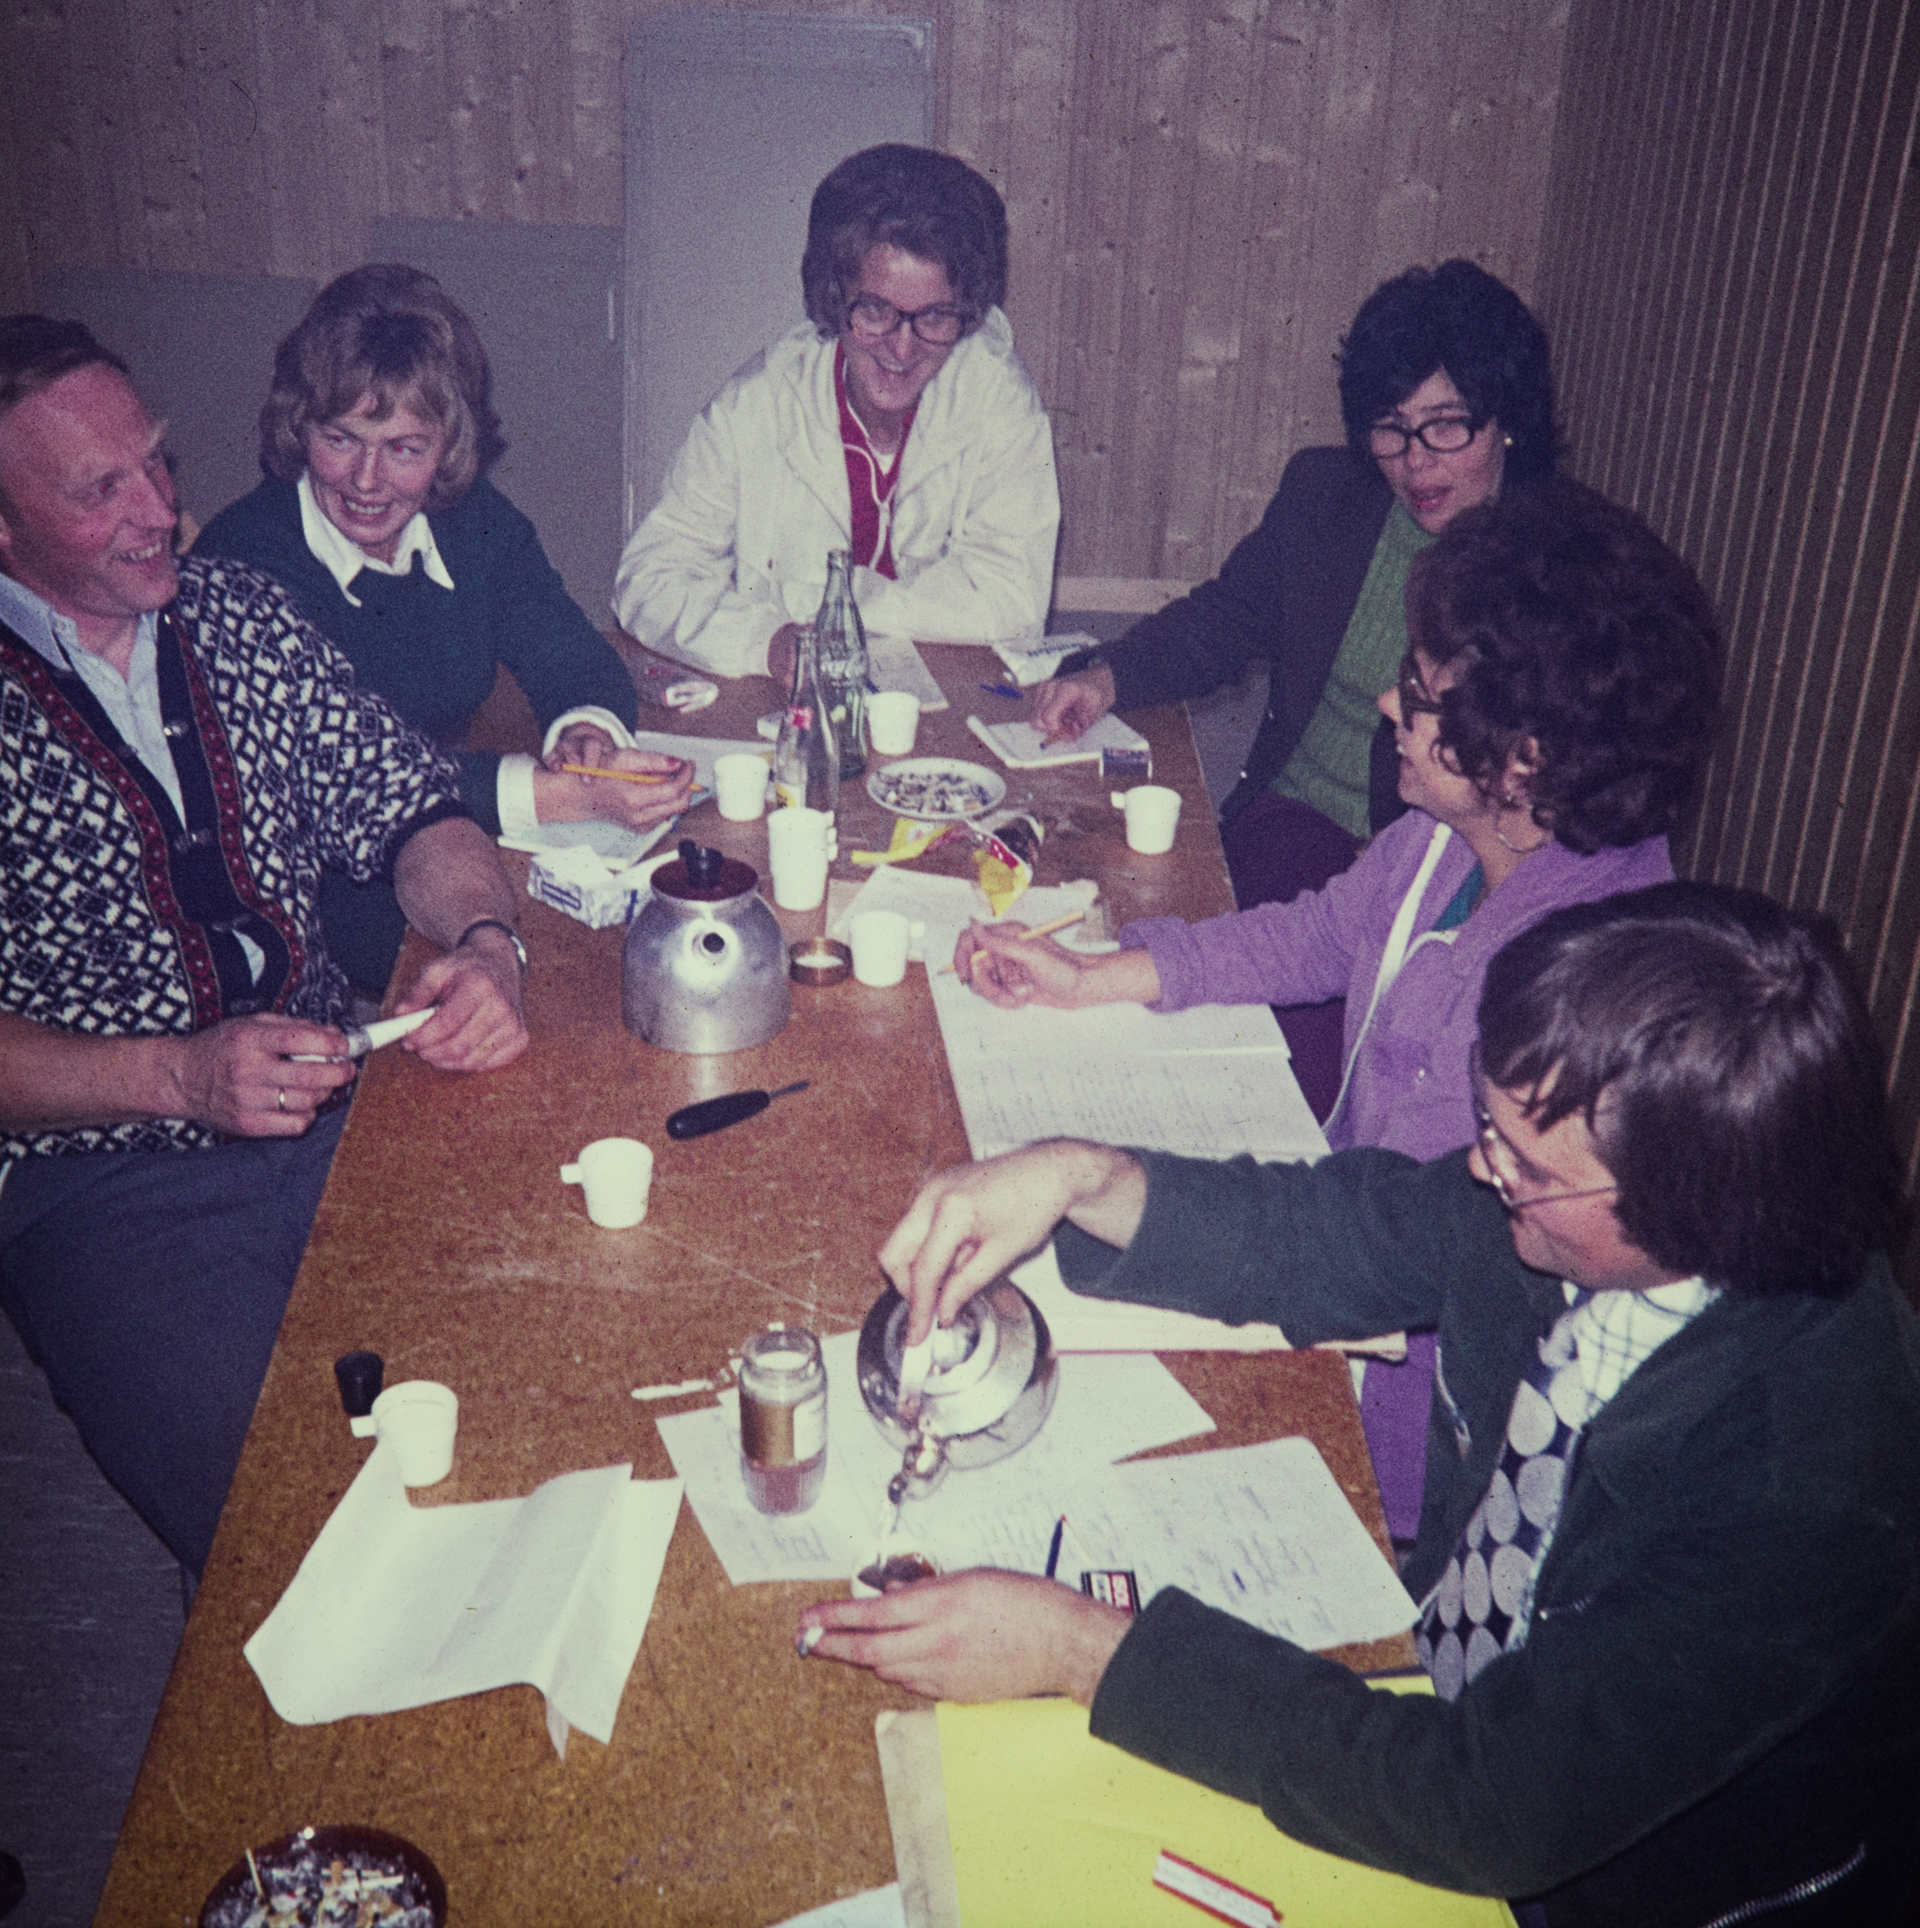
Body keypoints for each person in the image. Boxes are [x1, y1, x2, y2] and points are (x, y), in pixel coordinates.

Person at [804, 884, 1920, 1928]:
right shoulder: (1588, 1210)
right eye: (1489, 1127)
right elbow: (1341, 1232)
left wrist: (1084, 1650)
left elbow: (1493, 1809)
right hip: (1433, 1694)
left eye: (1525, 1165)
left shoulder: (1812, 1475)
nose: (1483, 1171)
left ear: (1692, 1205)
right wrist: (1077, 1176)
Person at [961, 483, 1721, 1538]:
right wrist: (1097, 975)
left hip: (1397, 1407)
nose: (1385, 705)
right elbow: (1318, 934)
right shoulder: (1449, 836)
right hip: (1333, 1242)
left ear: (1526, 759)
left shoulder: (1580, 995)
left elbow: (1391, 1249)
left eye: (1420, 690)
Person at [0, 316, 530, 1576]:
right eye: (101, 490)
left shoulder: (239, 613)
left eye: (157, 461)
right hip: (105, 1180)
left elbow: (415, 808)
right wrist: (181, 1075)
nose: (159, 511)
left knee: (532, 1375)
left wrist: (487, 937)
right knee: (291, 1530)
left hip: (341, 1093)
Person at [196, 264, 693, 998]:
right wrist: (556, 796)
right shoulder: (242, 568)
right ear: (299, 425)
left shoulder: (472, 521)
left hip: (454, 848)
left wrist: (585, 733)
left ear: (450, 445)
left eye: (404, 448)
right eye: (341, 438)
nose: (367, 480)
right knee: (570, 990)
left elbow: (572, 652)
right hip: (325, 898)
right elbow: (350, 779)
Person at [1037, 259, 1557, 926]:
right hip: (1292, 820)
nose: (1416, 459)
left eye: (1446, 424)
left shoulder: (1552, 565)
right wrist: (1108, 677)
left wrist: (1398, 867)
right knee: (1116, 903)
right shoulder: (1326, 495)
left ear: (1506, 419)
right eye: (1391, 427)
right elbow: (1227, 617)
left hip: (1434, 854)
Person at [613, 143, 1059, 684]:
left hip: (950, 693)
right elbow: (650, 578)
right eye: (875, 310)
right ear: (832, 295)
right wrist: (766, 642)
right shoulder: (756, 404)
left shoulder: (998, 397)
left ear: (966, 314)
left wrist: (830, 610)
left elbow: (1014, 599)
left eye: (935, 316)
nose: (902, 348)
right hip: (786, 697)